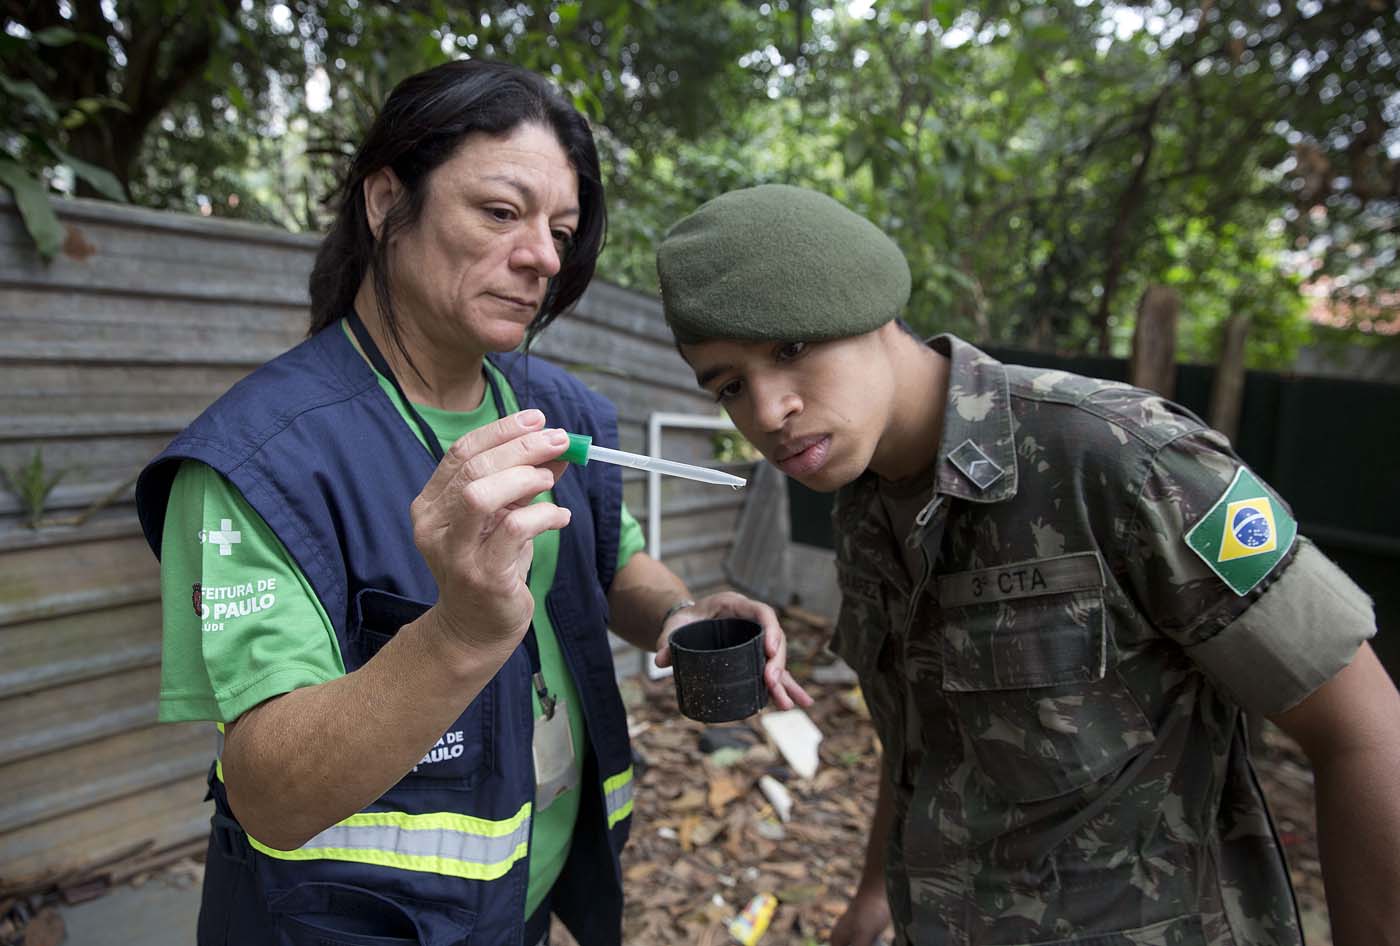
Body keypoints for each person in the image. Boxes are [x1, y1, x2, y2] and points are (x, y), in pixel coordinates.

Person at [134, 63, 810, 946]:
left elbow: (610, 563)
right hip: (346, 926)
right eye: (500, 212)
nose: (542, 257)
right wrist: (458, 632)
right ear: (386, 201)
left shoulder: (556, 412)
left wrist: (680, 615)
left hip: (519, 900)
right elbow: (270, 793)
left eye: (561, 230)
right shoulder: (262, 460)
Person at [655, 183, 1400, 946]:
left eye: (790, 348)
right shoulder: (864, 499)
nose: (768, 411)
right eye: (732, 387)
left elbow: (1365, 730)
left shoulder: (1118, 457)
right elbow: (926, 737)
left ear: (869, 304)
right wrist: (877, 894)